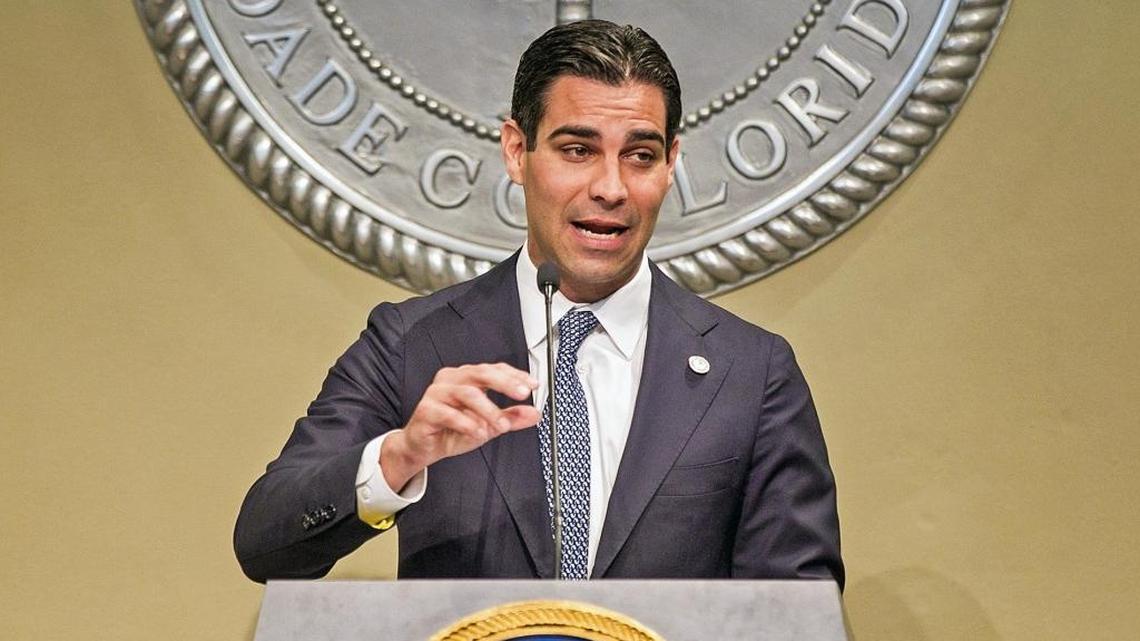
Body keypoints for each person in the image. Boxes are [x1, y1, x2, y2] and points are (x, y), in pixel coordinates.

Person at [234, 19, 843, 587]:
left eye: (640, 155)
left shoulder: (753, 371)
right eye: (577, 150)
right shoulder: (412, 343)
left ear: (671, 164)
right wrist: (398, 458)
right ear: (516, 152)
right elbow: (265, 541)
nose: (610, 188)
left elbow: (797, 608)